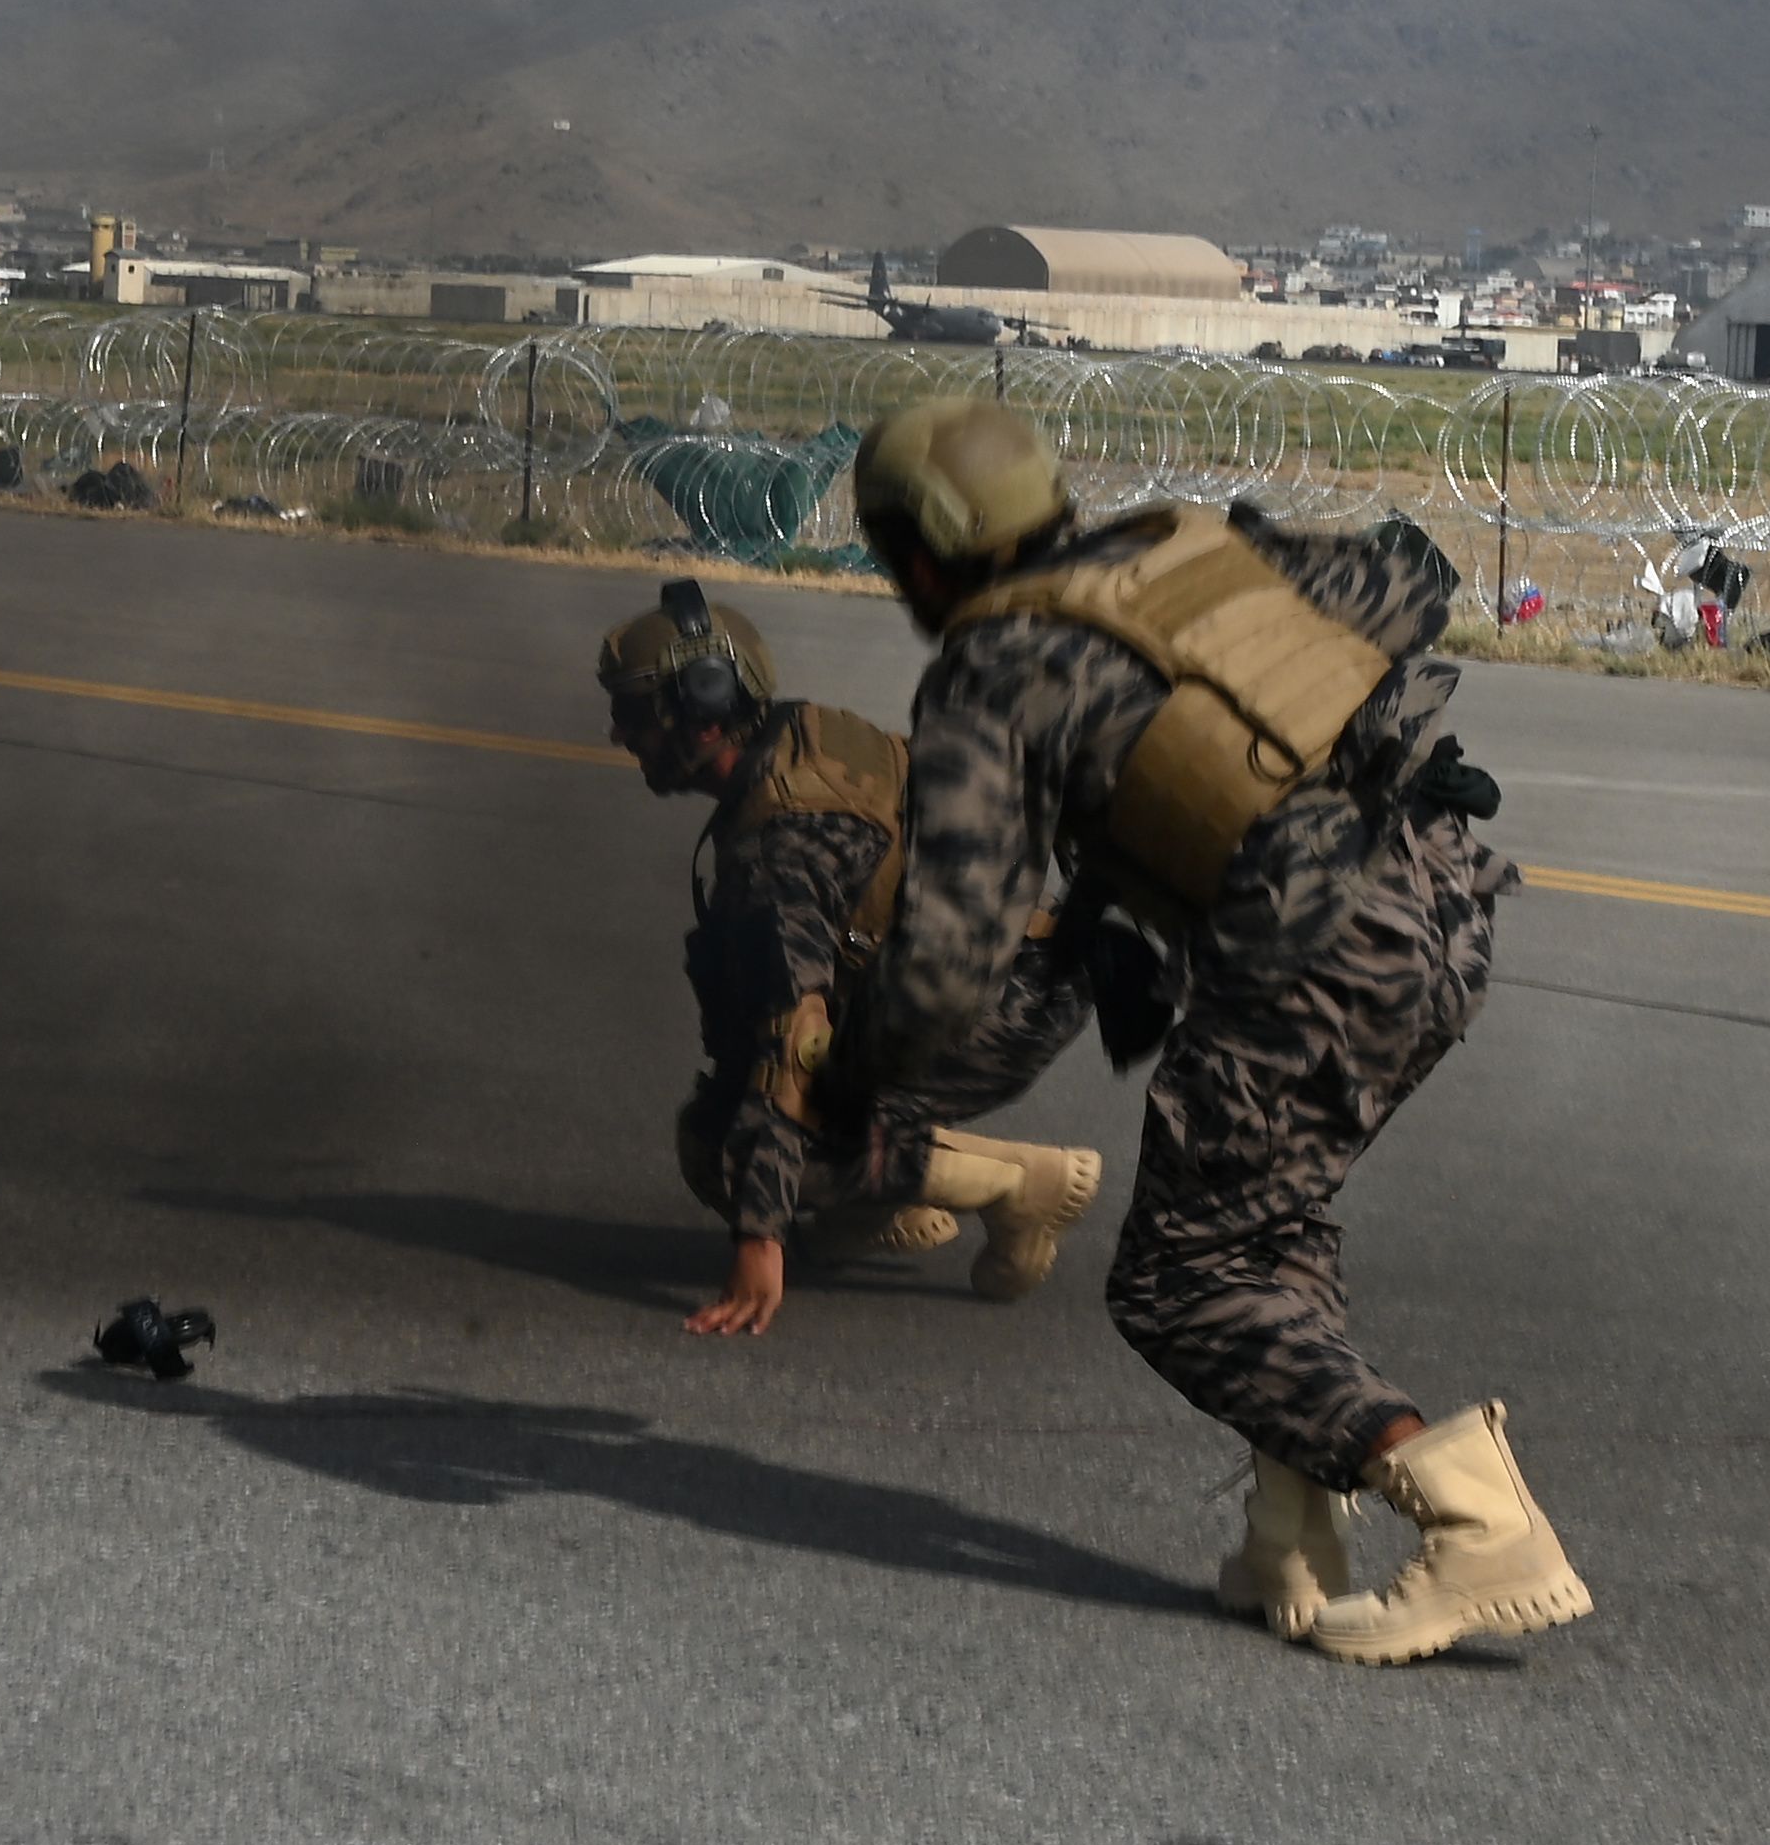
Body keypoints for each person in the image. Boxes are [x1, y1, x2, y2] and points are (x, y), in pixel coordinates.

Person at [848, 401, 1589, 1664]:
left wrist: (857, 1080)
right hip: (1445, 900)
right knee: (1260, 1214)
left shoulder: (990, 668)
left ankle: (1469, 1511)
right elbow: (1413, 572)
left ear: (919, 551)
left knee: (1178, 1279)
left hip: (1315, 958)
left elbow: (947, 960)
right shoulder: (1190, 546)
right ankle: (1288, 1544)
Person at [594, 577, 1103, 1340]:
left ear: (701, 719)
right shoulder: (802, 736)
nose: (620, 736)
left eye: (635, 716)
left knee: (723, 1145)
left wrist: (757, 1236)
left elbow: (794, 1042)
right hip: (1015, 967)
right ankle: (883, 1205)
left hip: (998, 1009)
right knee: (756, 1070)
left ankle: (1016, 1186)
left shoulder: (780, 846)